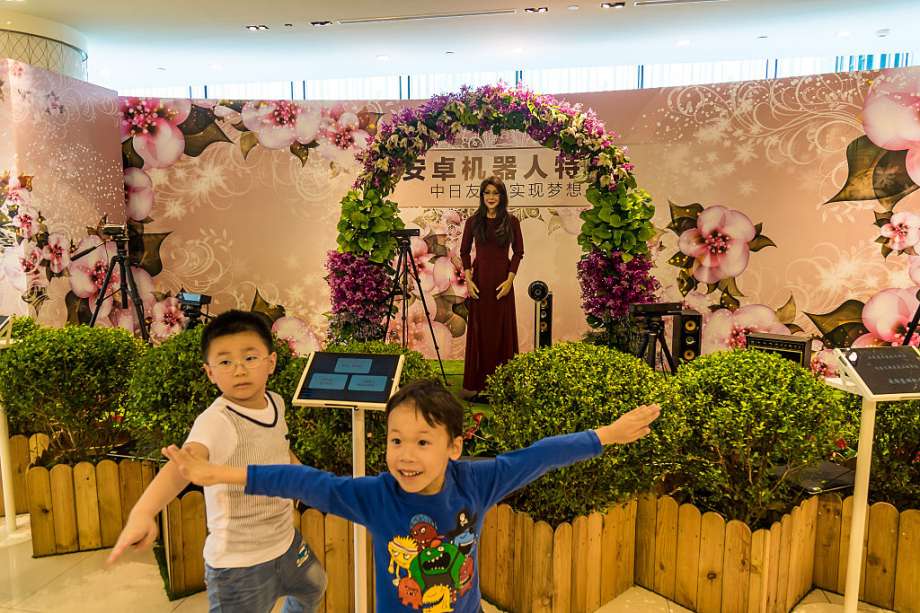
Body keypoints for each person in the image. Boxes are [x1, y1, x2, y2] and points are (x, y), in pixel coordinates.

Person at [162, 378, 661, 613]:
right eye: (396, 440)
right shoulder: (377, 496)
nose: (406, 455)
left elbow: (539, 455)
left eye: (423, 442)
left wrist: (607, 434)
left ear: (454, 446)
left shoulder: (476, 482)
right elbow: (303, 482)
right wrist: (221, 472)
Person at [107, 310, 326, 613]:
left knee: (313, 586)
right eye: (225, 362)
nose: (239, 370)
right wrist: (143, 512)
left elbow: (279, 450)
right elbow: (183, 466)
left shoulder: (275, 401)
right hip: (239, 567)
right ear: (210, 372)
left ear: (271, 363)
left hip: (286, 544)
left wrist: (309, 482)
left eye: (250, 358)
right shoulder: (216, 421)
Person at [460, 175, 524, 401]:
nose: (491, 197)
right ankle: (477, 385)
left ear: (502, 196)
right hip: (479, 283)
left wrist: (510, 281)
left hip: (502, 283)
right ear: (482, 196)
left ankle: (503, 385)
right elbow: (464, 252)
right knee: (481, 332)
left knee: (501, 332)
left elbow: (518, 252)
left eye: (495, 193)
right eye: (487, 193)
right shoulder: (473, 221)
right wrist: (468, 279)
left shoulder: (511, 221)